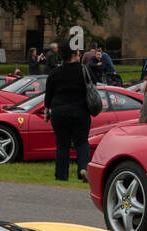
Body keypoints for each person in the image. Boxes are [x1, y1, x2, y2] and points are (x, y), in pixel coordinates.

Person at [44, 40, 93, 182]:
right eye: (78, 52)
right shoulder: (84, 70)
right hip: (80, 111)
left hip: (59, 112)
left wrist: (47, 111)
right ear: (73, 54)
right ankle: (83, 168)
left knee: (62, 145)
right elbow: (93, 85)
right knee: (82, 142)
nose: (79, 55)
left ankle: (61, 176)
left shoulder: (54, 73)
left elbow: (48, 97)